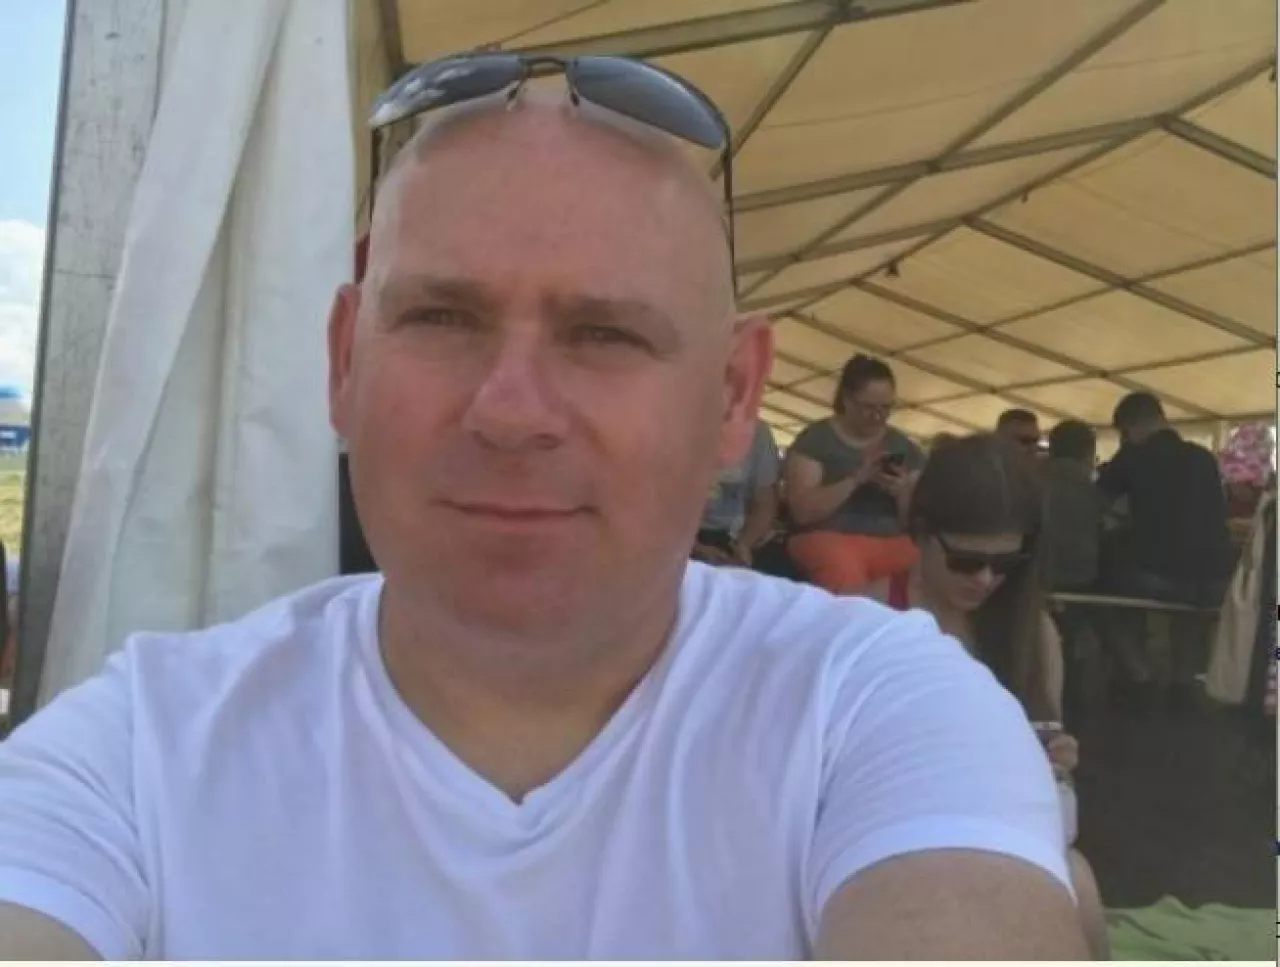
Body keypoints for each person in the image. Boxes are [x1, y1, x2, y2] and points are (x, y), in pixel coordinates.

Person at [0, 61, 1086, 960]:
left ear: (730, 396)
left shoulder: (871, 709)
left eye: (603, 334)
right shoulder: (137, 749)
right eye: (440, 317)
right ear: (342, 362)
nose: (509, 411)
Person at [892, 433, 1109, 958]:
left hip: (1005, 829)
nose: (987, 579)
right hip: (902, 830)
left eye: (1007, 563)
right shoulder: (870, 617)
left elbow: (1051, 761)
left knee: (1077, 883)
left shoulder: (1032, 632)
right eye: (966, 561)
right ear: (921, 531)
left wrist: (1055, 761)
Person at [1097, 393, 1233, 709]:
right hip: (1215, 576)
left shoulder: (1132, 456)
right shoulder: (1203, 457)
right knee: (1189, 605)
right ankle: (1184, 681)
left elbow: (1097, 502)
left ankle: (1139, 675)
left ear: (1130, 428)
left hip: (1157, 575)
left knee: (1101, 596)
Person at [783, 355, 925, 595]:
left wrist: (902, 492)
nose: (878, 416)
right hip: (827, 536)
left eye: (886, 408)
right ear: (847, 400)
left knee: (925, 567)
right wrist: (856, 479)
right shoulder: (816, 440)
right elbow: (802, 512)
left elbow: (918, 522)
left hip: (892, 540)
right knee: (842, 567)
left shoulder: (903, 445)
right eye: (869, 407)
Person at [692, 419, 779, 566]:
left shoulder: (758, 432)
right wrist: (695, 548)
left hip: (733, 535)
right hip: (680, 535)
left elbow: (765, 503)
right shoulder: (679, 423)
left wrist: (744, 545)